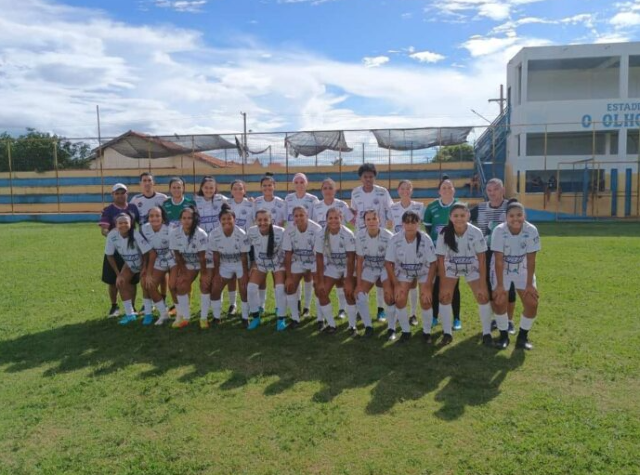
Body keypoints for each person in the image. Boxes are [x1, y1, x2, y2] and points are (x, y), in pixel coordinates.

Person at [435, 202, 492, 346]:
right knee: (445, 296)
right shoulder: (444, 233)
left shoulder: (476, 232)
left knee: (482, 296)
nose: (459, 218)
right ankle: (447, 333)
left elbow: (482, 258)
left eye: (462, 215)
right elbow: (440, 259)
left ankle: (487, 333)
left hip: (472, 267)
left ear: (468, 215)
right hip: (451, 267)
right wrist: (442, 282)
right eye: (455, 216)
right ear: (450, 217)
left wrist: (483, 282)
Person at [490, 200, 541, 350]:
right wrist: (499, 286)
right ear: (506, 218)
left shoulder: (531, 230)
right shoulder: (499, 231)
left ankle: (522, 337)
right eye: (511, 215)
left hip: (522, 269)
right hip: (502, 270)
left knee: (532, 304)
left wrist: (529, 284)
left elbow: (531, 259)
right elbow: (498, 260)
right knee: (499, 301)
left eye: (519, 215)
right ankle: (503, 336)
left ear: (524, 216)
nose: (515, 218)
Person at [469, 177, 516, 334]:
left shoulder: (511, 206)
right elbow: (462, 218)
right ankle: (497, 318)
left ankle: (509, 321)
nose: (492, 193)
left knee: (508, 286)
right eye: (489, 190)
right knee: (489, 286)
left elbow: (520, 224)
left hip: (506, 253)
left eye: (496, 189)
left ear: (502, 190)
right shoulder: (480, 208)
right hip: (485, 253)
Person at [385, 211, 437, 343]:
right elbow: (388, 262)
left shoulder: (425, 238)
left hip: (424, 272)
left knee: (426, 300)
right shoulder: (395, 239)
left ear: (418, 224)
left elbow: (433, 263)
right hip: (404, 272)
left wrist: (427, 285)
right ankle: (405, 331)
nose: (410, 225)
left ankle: (426, 332)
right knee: (400, 298)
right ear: (402, 224)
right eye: (407, 222)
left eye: (413, 222)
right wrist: (396, 284)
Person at [350, 163, 393, 322]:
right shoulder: (355, 192)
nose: (368, 179)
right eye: (365, 177)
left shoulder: (382, 192)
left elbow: (391, 210)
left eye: (371, 176)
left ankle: (381, 309)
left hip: (380, 239)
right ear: (360, 178)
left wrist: (389, 226)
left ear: (374, 177)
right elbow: (355, 212)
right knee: (361, 270)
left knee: (382, 274)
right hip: (361, 239)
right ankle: (362, 309)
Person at [311, 177, 355, 321]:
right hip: (323, 248)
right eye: (325, 188)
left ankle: (343, 310)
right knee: (320, 286)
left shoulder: (342, 204)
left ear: (335, 190)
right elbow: (313, 225)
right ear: (321, 190)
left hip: (341, 247)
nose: (328, 191)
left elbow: (352, 222)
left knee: (343, 283)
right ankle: (320, 318)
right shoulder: (316, 206)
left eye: (331, 188)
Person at [423, 176, 462, 331]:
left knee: (454, 285)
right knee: (436, 284)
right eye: (443, 187)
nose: (446, 190)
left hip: (454, 253)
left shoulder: (460, 206)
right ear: (439, 191)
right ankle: (434, 316)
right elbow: (428, 228)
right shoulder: (432, 206)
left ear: (454, 190)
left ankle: (457, 318)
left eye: (449, 187)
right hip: (435, 253)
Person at [99, 183, 140, 318]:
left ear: (127, 194)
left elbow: (141, 224)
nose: (120, 195)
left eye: (123, 193)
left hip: (132, 251)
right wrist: (114, 236)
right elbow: (104, 229)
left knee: (132, 281)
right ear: (113, 195)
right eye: (117, 193)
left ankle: (132, 306)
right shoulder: (108, 210)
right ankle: (114, 306)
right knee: (113, 281)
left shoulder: (133, 208)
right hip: (115, 251)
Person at [314, 207, 357, 335]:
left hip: (347, 266)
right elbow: (319, 258)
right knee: (321, 291)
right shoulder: (321, 234)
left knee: (349, 292)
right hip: (332, 266)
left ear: (341, 219)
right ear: (326, 220)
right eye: (330, 218)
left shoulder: (348, 234)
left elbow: (351, 258)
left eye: (336, 218)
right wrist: (320, 280)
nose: (333, 221)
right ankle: (331, 325)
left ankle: (352, 326)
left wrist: (348, 279)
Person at [388, 179, 425, 326]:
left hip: (414, 247)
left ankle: (413, 314)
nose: (405, 191)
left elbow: (420, 228)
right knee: (398, 281)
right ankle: (398, 312)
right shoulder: (392, 207)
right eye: (402, 188)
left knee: (413, 282)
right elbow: (391, 227)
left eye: (408, 188)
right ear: (398, 191)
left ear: (412, 190)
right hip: (397, 248)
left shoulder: (420, 206)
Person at [104, 212, 151, 325]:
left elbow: (146, 253)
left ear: (131, 224)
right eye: (120, 223)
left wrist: (144, 269)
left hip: (144, 263)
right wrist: (118, 274)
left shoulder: (135, 235)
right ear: (116, 224)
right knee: (120, 282)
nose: (123, 225)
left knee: (145, 283)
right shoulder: (112, 235)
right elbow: (109, 255)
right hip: (129, 264)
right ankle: (130, 315)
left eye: (126, 222)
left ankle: (148, 314)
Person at [208, 204, 251, 327]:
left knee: (243, 288)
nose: (226, 221)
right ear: (220, 220)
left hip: (240, 263)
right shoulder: (214, 234)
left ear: (234, 219)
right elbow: (216, 255)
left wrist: (244, 275)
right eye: (223, 219)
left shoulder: (242, 234)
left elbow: (244, 256)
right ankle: (217, 317)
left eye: (229, 218)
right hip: (225, 264)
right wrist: (216, 274)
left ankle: (245, 317)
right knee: (215, 289)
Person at [354, 210, 394, 338]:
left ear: (379, 220)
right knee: (360, 294)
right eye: (368, 219)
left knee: (389, 296)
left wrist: (392, 282)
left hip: (385, 267)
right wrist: (359, 284)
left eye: (374, 219)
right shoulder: (359, 236)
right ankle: (368, 327)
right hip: (370, 267)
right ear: (364, 222)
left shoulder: (389, 236)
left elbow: (391, 262)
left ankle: (391, 329)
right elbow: (359, 261)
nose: (371, 222)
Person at [246, 209, 288, 331]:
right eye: (259, 220)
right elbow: (250, 248)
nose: (262, 222)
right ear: (255, 221)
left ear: (271, 220)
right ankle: (255, 317)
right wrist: (253, 262)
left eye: (265, 220)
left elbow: (286, 250)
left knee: (280, 288)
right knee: (251, 288)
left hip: (277, 263)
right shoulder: (251, 231)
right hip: (260, 264)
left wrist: (286, 268)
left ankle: (281, 318)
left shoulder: (280, 232)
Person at [285, 173, 319, 317]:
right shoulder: (288, 198)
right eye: (296, 182)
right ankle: (298, 304)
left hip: (309, 239)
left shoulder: (313, 199)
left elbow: (316, 221)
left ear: (306, 183)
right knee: (295, 275)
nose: (299, 184)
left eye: (302, 181)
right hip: (295, 238)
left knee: (308, 277)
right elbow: (286, 218)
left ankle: (306, 307)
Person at [169, 206, 209, 329]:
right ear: (180, 220)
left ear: (194, 219)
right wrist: (184, 272)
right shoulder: (175, 233)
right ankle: (185, 317)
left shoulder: (201, 234)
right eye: (184, 218)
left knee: (204, 284)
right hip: (188, 264)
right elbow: (177, 255)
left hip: (205, 263)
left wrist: (204, 275)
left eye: (190, 218)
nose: (187, 221)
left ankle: (203, 318)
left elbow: (203, 258)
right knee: (181, 285)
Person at [283, 206, 322, 327]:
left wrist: (319, 277)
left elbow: (319, 255)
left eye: (301, 215)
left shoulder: (316, 229)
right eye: (296, 216)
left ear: (307, 216)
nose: (299, 218)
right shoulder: (289, 230)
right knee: (290, 287)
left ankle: (320, 319)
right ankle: (295, 318)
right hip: (298, 261)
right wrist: (288, 277)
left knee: (318, 287)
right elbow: (288, 255)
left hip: (315, 260)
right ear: (293, 218)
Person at [139, 206, 175, 326]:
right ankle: (163, 313)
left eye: (157, 216)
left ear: (163, 218)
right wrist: (146, 270)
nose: (154, 218)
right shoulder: (144, 229)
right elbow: (147, 252)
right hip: (157, 260)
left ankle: (181, 314)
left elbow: (178, 250)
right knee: (149, 284)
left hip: (173, 258)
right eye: (151, 216)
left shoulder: (171, 229)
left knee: (174, 285)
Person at [226, 179, 254, 315]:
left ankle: (247, 303)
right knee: (231, 275)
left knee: (244, 275)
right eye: (235, 188)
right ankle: (232, 304)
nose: (237, 191)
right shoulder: (226, 204)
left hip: (246, 245)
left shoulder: (251, 204)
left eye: (240, 188)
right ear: (231, 191)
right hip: (229, 243)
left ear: (245, 191)